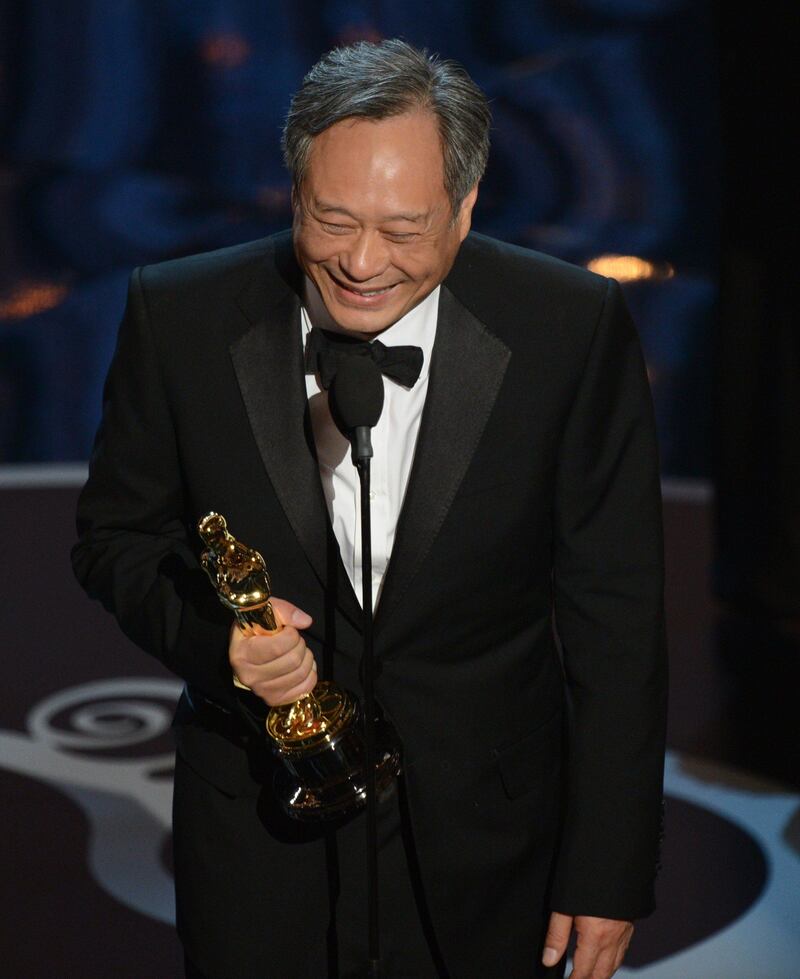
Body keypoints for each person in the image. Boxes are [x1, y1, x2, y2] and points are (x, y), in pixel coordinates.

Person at [72, 39, 667, 979]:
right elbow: (114, 537)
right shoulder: (179, 317)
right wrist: (216, 642)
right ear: (292, 190)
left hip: (492, 848)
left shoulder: (569, 329)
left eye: (403, 229)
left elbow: (618, 619)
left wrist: (610, 867)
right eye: (331, 219)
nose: (359, 262)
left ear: (467, 208)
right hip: (257, 849)